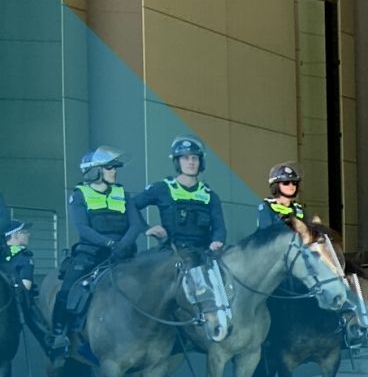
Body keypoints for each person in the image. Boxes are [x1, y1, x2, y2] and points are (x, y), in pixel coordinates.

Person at [50, 146, 134, 356]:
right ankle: (59, 335)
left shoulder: (123, 193)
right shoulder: (80, 195)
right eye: (109, 168)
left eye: (114, 168)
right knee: (68, 288)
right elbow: (83, 229)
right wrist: (109, 244)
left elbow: (136, 224)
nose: (114, 171)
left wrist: (123, 244)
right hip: (91, 254)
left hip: (122, 254)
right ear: (94, 171)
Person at [131, 135, 228, 257]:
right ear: (177, 162)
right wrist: (145, 228)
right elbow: (130, 205)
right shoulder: (162, 188)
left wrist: (217, 241)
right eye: (185, 158)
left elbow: (219, 227)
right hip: (170, 255)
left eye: (195, 158)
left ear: (200, 162)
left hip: (201, 256)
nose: (191, 162)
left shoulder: (210, 196)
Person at [3, 213, 57, 355]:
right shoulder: (23, 258)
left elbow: (24, 287)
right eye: (25, 232)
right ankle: (51, 346)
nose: (29, 234)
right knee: (35, 318)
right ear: (15, 236)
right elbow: (25, 286)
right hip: (16, 300)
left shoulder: (15, 256)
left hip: (13, 298)